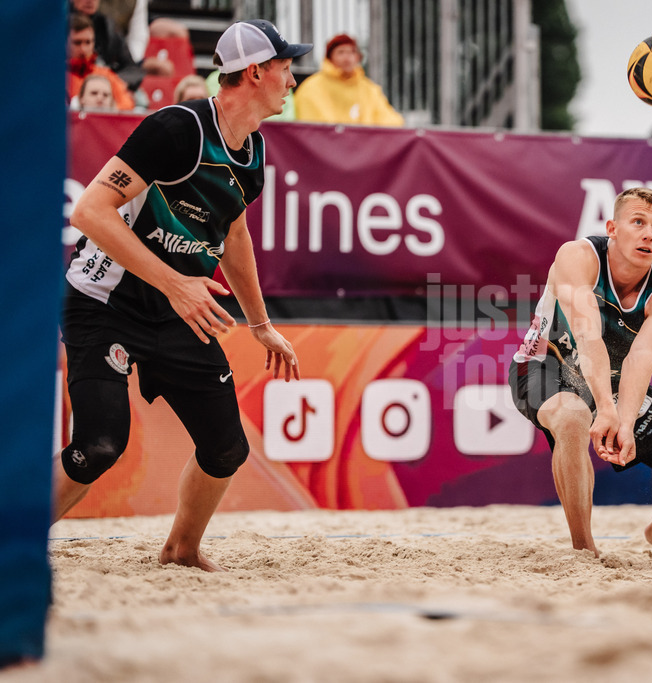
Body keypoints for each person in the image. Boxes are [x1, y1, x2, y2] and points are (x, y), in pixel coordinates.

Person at [56, 19, 311, 572]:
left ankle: (181, 550)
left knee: (227, 449)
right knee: (99, 446)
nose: (293, 79)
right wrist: (173, 283)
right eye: (286, 67)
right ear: (255, 72)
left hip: (177, 308)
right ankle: (13, 543)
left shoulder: (253, 151)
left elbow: (234, 234)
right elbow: (90, 211)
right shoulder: (177, 129)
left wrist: (261, 323)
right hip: (105, 301)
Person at [508, 187, 652, 557]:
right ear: (612, 228)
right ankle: (584, 549)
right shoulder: (577, 257)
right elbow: (588, 335)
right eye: (638, 222)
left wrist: (624, 420)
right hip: (546, 364)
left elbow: (640, 359)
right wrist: (606, 409)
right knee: (574, 417)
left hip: (612, 379)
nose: (648, 233)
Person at [293, 33, 404, 126]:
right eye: (341, 52)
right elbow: (311, 129)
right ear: (329, 57)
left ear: (357, 57)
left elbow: (392, 122)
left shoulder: (370, 89)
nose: (347, 57)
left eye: (352, 52)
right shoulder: (311, 88)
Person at [67, 13, 136, 111]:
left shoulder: (106, 75)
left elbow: (127, 106)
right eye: (77, 43)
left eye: (88, 42)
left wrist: (109, 110)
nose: (83, 49)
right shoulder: (56, 77)